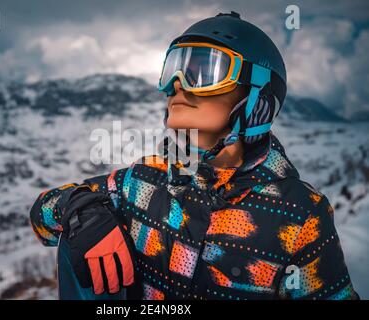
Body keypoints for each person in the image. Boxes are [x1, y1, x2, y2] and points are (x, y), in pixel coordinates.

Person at [29, 11, 359, 300]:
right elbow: (42, 218)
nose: (177, 85)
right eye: (174, 68)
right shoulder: (143, 180)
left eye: (204, 72)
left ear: (257, 99)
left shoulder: (299, 214)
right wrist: (80, 211)